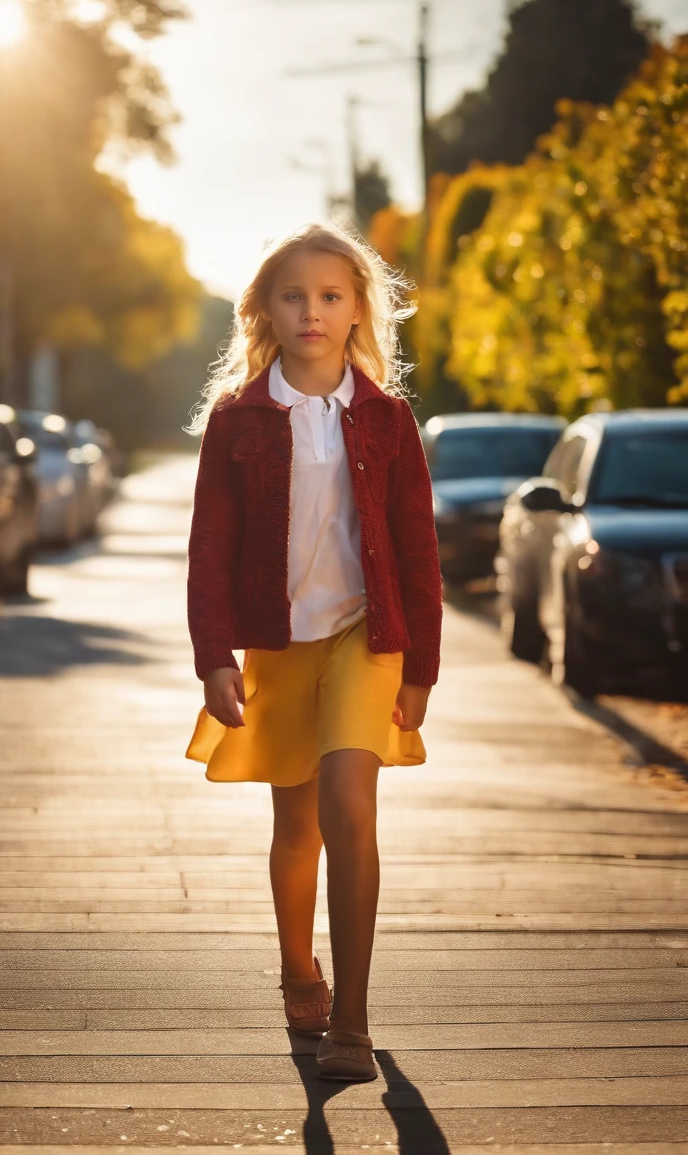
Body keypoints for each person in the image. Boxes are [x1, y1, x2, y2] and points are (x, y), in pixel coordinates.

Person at [185, 221, 442, 1082]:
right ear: (265, 308)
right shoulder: (238, 420)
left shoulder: (388, 419)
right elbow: (210, 546)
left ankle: (355, 1022)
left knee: (348, 806)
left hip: (366, 638)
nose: (313, 311)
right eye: (294, 296)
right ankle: (301, 971)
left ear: (359, 310)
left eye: (332, 296)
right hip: (277, 639)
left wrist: (423, 669)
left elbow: (418, 551)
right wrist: (213, 654)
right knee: (295, 822)